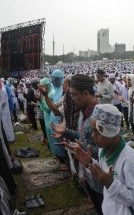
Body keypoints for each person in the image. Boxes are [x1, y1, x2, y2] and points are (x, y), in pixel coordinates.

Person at [67, 104, 134, 215]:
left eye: (97, 131)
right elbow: (105, 175)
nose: (93, 136)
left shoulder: (131, 161)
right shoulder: (103, 151)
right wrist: (90, 163)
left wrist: (110, 184)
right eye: (93, 131)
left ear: (109, 131)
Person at [51, 74, 104, 214]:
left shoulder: (99, 115)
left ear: (86, 93)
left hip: (101, 176)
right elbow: (83, 138)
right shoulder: (83, 112)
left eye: (75, 95)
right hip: (89, 174)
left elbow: (107, 150)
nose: (73, 99)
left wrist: (87, 153)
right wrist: (66, 132)